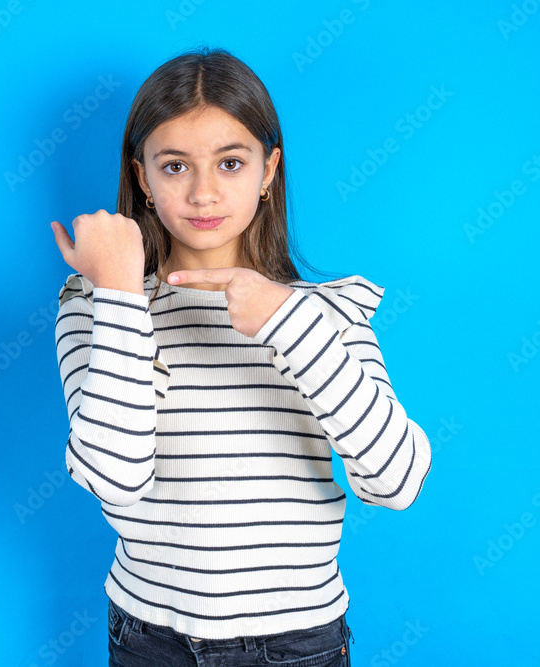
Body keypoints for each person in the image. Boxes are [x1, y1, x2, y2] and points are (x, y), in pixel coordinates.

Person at [50, 45, 431, 667]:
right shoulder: (97, 307)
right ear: (142, 176)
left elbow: (397, 480)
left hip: (296, 642)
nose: (204, 193)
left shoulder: (326, 310)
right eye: (175, 167)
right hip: (150, 638)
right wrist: (119, 292)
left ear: (268, 170)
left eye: (230, 162)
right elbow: (116, 476)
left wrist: (286, 322)